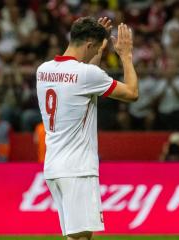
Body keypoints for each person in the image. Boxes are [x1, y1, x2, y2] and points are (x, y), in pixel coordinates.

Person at [36, 17, 138, 240]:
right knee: (82, 237)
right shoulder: (86, 75)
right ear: (89, 44)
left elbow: (82, 79)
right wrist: (126, 56)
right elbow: (131, 93)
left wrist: (98, 50)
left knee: (75, 237)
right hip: (78, 168)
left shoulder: (43, 70)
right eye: (96, 48)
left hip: (54, 167)